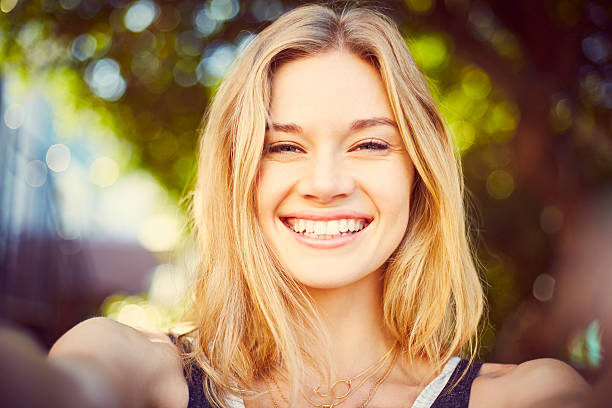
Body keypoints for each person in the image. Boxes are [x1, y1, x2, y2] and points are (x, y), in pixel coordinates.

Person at [48, 4, 590, 408]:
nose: (326, 184)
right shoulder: (132, 369)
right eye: (283, 146)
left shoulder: (528, 396)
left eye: (370, 144)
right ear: (237, 176)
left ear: (418, 177)